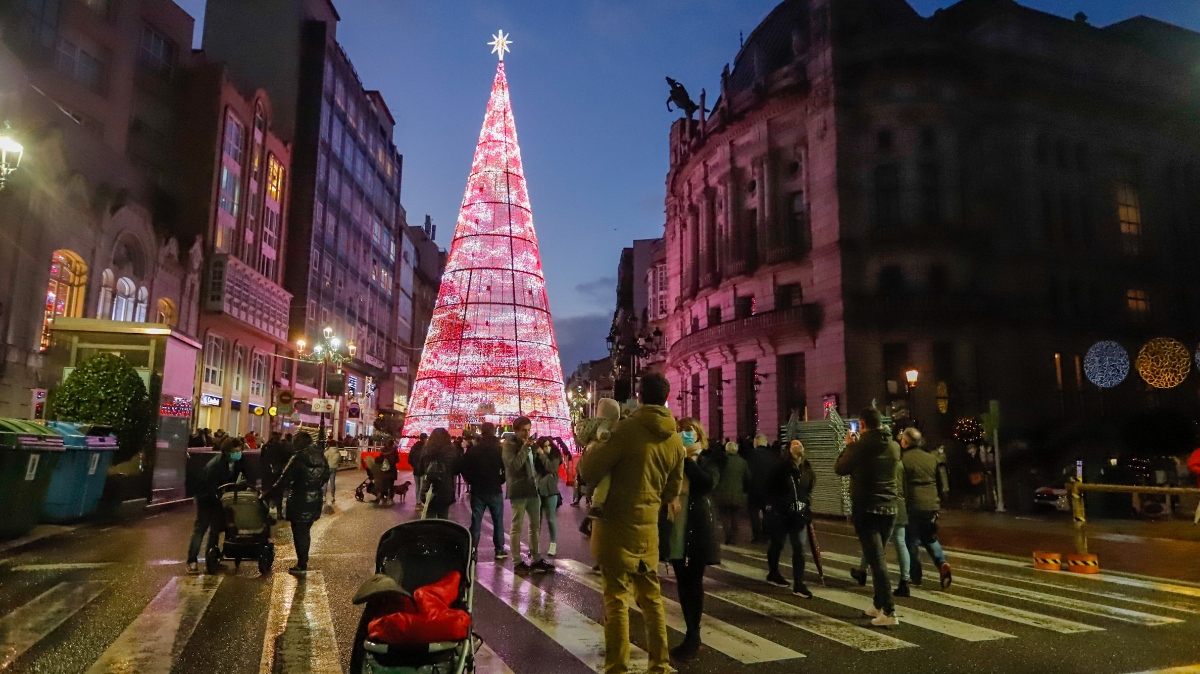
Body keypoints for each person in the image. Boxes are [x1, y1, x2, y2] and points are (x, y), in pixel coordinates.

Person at [579, 373, 685, 674]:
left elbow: (589, 470)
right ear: (665, 398)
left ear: (639, 397)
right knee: (651, 598)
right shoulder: (675, 438)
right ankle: (660, 664)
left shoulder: (626, 430)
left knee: (616, 599)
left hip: (615, 525)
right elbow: (671, 492)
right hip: (648, 527)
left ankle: (618, 667)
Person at [661, 418, 720, 662]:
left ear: (698, 434)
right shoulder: (673, 458)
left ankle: (693, 636)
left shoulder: (707, 459)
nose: (684, 435)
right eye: (680, 431)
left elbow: (708, 483)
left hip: (696, 527)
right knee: (682, 583)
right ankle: (690, 634)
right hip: (676, 525)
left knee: (693, 583)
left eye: (689, 431)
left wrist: (686, 459)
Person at [835, 408, 901, 627]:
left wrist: (849, 445)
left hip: (867, 508)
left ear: (862, 425)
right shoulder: (893, 446)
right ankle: (878, 602)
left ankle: (889, 611)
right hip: (889, 508)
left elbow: (840, 468)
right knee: (877, 556)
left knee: (877, 560)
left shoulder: (860, 447)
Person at [269, 431, 329, 575]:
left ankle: (302, 563)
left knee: (299, 532)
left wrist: (270, 493)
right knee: (305, 531)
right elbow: (326, 476)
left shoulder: (298, 457)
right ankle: (303, 560)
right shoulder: (320, 456)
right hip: (315, 498)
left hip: (299, 498)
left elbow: (284, 478)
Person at [900, 427, 953, 588]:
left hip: (913, 505)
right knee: (929, 537)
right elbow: (939, 482)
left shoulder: (903, 460)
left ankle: (915, 576)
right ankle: (942, 562)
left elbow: (901, 485)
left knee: (911, 540)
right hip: (931, 504)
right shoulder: (931, 458)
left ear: (905, 442)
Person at [764, 439, 816, 597]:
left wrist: (806, 502)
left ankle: (799, 584)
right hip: (781, 513)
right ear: (788, 449)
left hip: (799, 514)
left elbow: (809, 488)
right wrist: (772, 505)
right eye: (794, 444)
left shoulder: (806, 467)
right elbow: (769, 487)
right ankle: (773, 572)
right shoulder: (781, 467)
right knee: (777, 544)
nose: (798, 445)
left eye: (800, 443)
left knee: (799, 548)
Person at [186, 438, 246, 573]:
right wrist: (219, 500)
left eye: (239, 450)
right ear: (227, 451)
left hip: (219, 498)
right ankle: (192, 561)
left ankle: (212, 560)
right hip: (206, 498)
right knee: (201, 528)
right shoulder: (216, 465)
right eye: (235, 451)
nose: (238, 453)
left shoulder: (235, 463)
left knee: (215, 530)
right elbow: (210, 486)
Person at [852, 456, 910, 595]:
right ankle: (905, 580)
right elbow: (905, 486)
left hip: (882, 504)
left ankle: (865, 573)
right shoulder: (899, 462)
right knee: (900, 542)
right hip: (899, 504)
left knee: (873, 542)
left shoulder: (877, 462)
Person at [503, 417, 553, 572]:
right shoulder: (509, 445)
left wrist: (541, 453)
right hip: (518, 490)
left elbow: (544, 466)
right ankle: (517, 561)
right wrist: (524, 448)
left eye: (529, 429)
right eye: (524, 430)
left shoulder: (531, 445)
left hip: (532, 488)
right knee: (517, 525)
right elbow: (514, 466)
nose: (527, 433)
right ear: (516, 430)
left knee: (535, 525)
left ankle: (536, 557)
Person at [459, 422, 508, 558]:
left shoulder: (474, 450)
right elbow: (506, 467)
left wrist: (471, 481)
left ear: (481, 432)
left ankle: (473, 549)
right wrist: (501, 479)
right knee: (498, 521)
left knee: (476, 521)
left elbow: (464, 467)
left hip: (478, 489)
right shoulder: (499, 449)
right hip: (494, 488)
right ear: (493, 432)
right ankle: (499, 549)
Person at [712, 437, 751, 545]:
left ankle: (727, 534)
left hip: (722, 493)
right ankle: (734, 536)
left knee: (724, 516)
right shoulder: (743, 462)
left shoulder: (722, 461)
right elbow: (747, 478)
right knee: (735, 516)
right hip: (737, 494)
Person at [743, 434, 776, 544]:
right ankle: (766, 535)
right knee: (767, 514)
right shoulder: (772, 455)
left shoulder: (750, 455)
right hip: (769, 490)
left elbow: (746, 472)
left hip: (754, 489)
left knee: (754, 514)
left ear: (756, 443)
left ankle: (757, 536)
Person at [536, 437, 564, 556]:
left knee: (551, 519)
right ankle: (534, 546)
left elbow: (551, 468)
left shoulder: (555, 456)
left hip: (551, 491)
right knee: (537, 521)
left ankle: (553, 545)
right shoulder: (537, 458)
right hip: (538, 491)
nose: (547, 448)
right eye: (544, 446)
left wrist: (542, 455)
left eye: (549, 445)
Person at [422, 429, 459, 519]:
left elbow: (420, 467)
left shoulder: (427, 449)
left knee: (429, 516)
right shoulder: (452, 450)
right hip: (445, 488)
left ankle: (430, 532)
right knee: (443, 518)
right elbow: (456, 469)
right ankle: (441, 532)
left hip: (429, 487)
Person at [374, 441, 400, 505]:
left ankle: (382, 499)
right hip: (391, 470)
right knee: (390, 485)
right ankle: (390, 499)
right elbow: (397, 460)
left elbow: (379, 459)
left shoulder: (383, 451)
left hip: (384, 470)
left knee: (383, 485)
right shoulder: (394, 451)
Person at [409, 433, 429, 510]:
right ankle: (419, 503)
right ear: (424, 439)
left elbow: (409, 459)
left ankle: (418, 502)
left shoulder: (414, 447)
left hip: (416, 470)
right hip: (423, 470)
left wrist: (414, 466)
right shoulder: (425, 448)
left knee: (417, 486)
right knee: (421, 487)